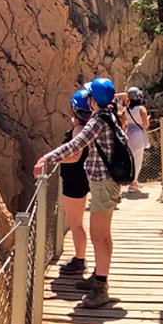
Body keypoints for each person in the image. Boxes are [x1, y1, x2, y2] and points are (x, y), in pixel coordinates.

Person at [33, 77, 123, 308]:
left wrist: (46, 158)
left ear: (94, 100)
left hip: (103, 184)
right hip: (104, 183)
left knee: (99, 236)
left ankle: (101, 289)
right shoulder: (109, 115)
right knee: (101, 235)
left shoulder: (97, 122)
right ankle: (98, 277)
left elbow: (75, 146)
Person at [57, 89, 93, 277]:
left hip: (74, 180)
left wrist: (57, 159)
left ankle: (80, 260)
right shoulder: (85, 127)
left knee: (75, 223)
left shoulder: (79, 130)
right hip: (79, 179)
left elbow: (75, 156)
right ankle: (79, 258)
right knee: (76, 222)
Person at [122, 87, 150, 193]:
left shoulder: (126, 110)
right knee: (138, 160)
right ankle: (133, 184)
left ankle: (134, 181)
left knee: (131, 160)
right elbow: (146, 124)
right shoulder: (142, 109)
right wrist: (146, 120)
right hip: (138, 135)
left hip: (128, 135)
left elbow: (122, 124)